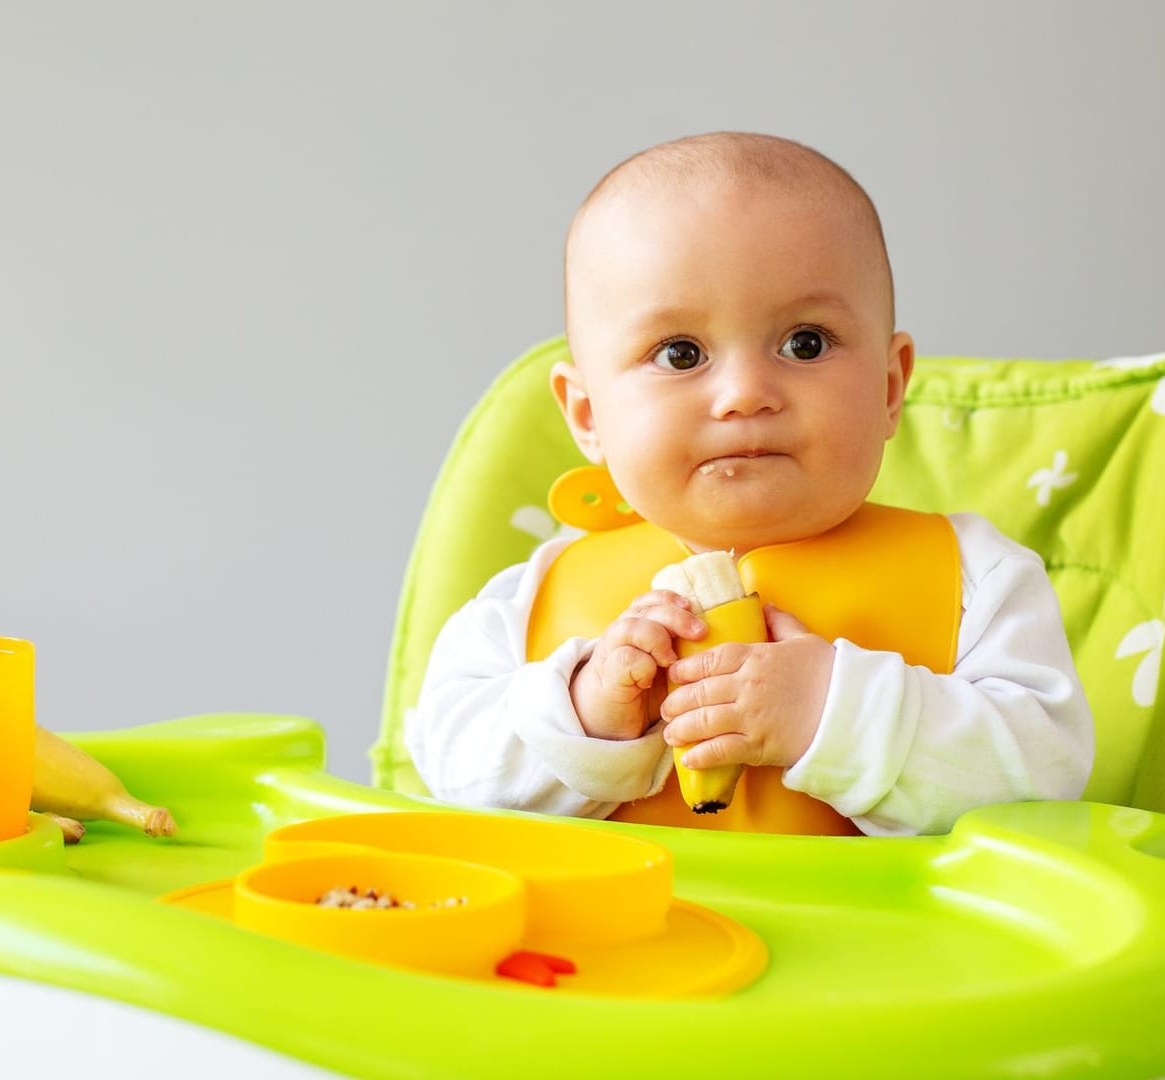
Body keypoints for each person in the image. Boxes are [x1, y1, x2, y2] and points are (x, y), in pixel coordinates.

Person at [404, 133, 1093, 836]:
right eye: (680, 353)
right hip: (618, 939)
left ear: (890, 388)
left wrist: (832, 713)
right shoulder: (535, 598)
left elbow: (1047, 778)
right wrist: (584, 713)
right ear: (588, 416)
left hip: (884, 943)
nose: (745, 393)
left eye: (805, 343)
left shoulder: (975, 581)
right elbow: (445, 769)